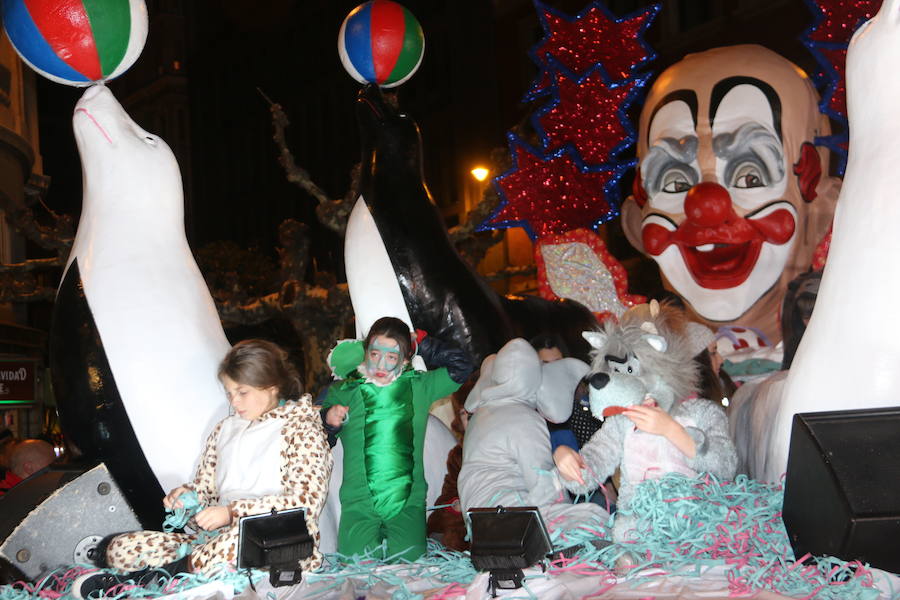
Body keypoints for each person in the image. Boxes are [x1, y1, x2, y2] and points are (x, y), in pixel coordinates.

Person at [74, 339, 332, 597]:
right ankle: (152, 580)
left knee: (222, 552)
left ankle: (146, 585)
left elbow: (306, 503)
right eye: (229, 393)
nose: (234, 402)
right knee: (120, 548)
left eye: (242, 392)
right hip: (212, 543)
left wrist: (233, 512)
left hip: (279, 542)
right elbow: (206, 492)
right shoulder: (225, 429)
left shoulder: (302, 429)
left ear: (272, 386)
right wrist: (188, 498)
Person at [322, 316, 473, 562]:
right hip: (359, 505)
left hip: (408, 505)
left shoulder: (420, 386)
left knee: (410, 572)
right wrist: (328, 420)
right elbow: (320, 438)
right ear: (365, 352)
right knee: (355, 574)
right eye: (374, 354)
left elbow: (462, 366)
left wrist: (422, 343)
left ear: (404, 359)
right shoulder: (344, 391)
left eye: (391, 356)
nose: (381, 363)